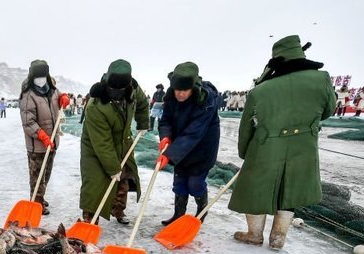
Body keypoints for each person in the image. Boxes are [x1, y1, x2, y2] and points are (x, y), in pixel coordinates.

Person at [229, 35, 336, 250]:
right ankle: (278, 237)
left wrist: (245, 152)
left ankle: (254, 234)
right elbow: (329, 109)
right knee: (292, 188)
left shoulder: (260, 90)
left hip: (266, 145)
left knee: (255, 188)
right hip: (303, 144)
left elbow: (246, 127)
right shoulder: (321, 79)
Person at [79, 59, 149, 225]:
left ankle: (118, 210)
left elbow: (143, 104)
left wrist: (143, 123)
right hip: (94, 146)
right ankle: (90, 218)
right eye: (113, 89)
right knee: (95, 182)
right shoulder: (95, 105)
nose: (116, 92)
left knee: (123, 178)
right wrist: (112, 168)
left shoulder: (133, 90)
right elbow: (103, 143)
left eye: (121, 89)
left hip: (123, 141)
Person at [157, 62, 220, 225]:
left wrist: (170, 154)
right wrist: (165, 137)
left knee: (195, 182)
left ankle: (201, 212)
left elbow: (194, 132)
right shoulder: (171, 97)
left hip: (202, 147)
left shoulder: (206, 99)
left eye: (184, 90)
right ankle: (178, 215)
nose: (180, 94)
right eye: (177, 90)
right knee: (179, 181)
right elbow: (166, 121)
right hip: (180, 147)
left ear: (193, 88)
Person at [19, 60, 70, 215]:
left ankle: (40, 197)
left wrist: (64, 97)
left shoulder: (52, 89)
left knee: (46, 173)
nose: (41, 79)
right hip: (37, 145)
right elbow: (28, 122)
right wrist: (41, 135)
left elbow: (59, 97)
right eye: (38, 76)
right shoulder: (28, 95)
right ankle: (36, 201)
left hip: (52, 141)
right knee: (37, 175)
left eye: (43, 75)